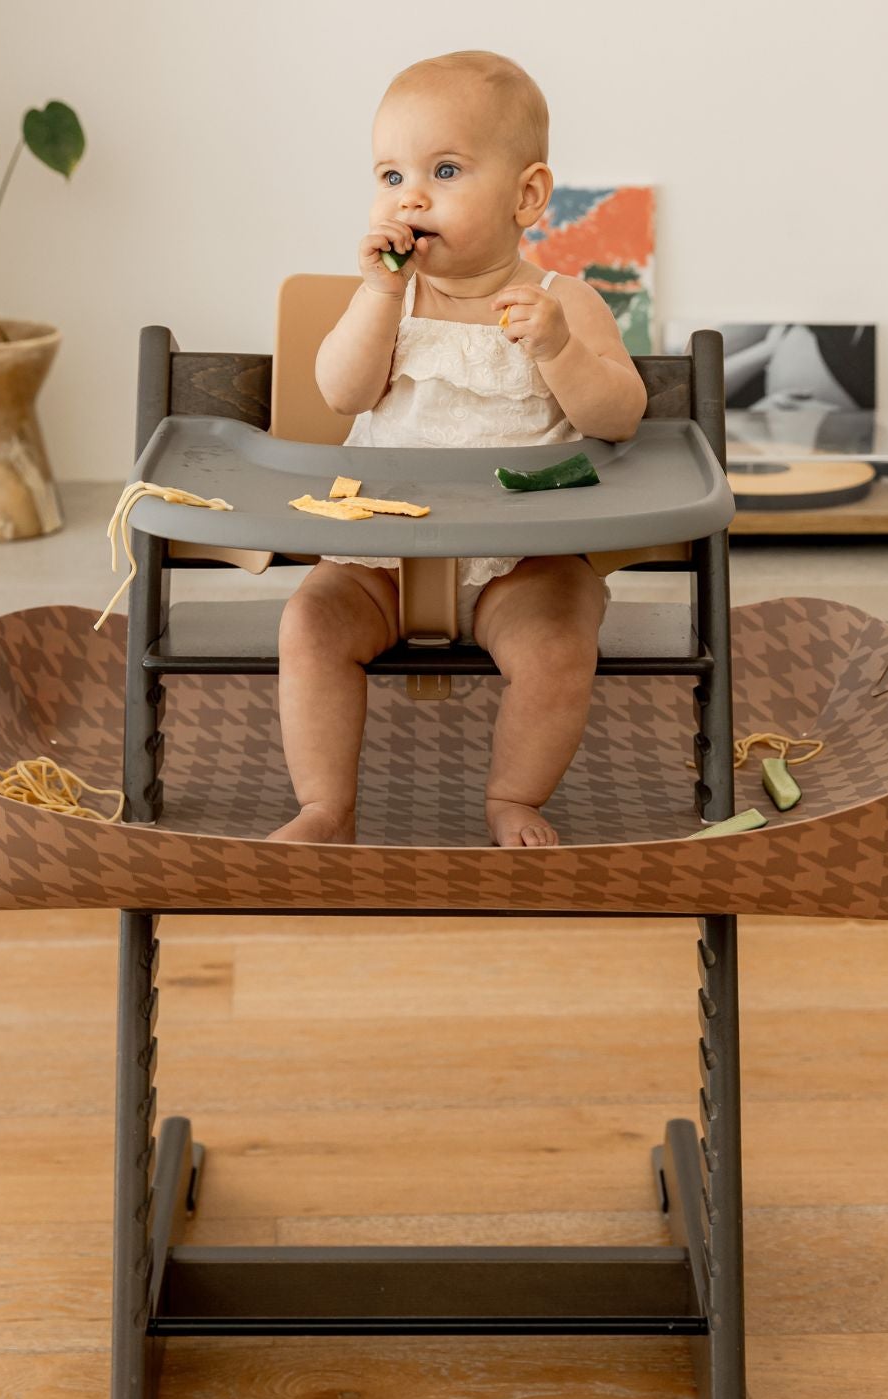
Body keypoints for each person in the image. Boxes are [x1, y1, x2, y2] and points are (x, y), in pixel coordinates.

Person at [269, 50, 647, 849]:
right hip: (380, 557)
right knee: (309, 623)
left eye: (444, 171)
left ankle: (513, 796)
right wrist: (379, 296)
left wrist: (560, 351)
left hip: (523, 562)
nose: (410, 197)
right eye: (391, 175)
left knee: (559, 645)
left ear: (527, 197)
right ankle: (325, 807)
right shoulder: (389, 300)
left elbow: (621, 416)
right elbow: (342, 392)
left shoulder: (564, 302)